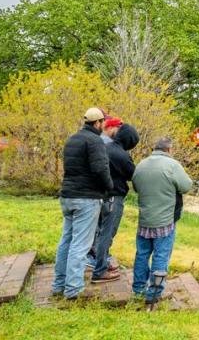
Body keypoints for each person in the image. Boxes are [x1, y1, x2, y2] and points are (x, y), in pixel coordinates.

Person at [52, 107, 113, 300]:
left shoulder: (72, 139)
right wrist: (109, 187)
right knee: (80, 245)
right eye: (103, 122)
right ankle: (73, 289)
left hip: (67, 196)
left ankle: (59, 284)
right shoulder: (94, 141)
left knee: (66, 241)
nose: (103, 126)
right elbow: (100, 169)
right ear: (97, 123)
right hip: (86, 199)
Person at [131, 137, 193, 303]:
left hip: (144, 220)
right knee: (161, 256)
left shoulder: (141, 165)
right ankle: (154, 293)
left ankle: (138, 289)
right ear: (169, 150)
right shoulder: (172, 165)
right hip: (165, 221)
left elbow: (135, 187)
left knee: (142, 255)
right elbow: (186, 186)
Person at [91, 120, 139, 283]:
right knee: (107, 234)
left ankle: (99, 262)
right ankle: (100, 271)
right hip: (114, 198)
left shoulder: (103, 147)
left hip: (99, 196)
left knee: (98, 231)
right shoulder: (122, 156)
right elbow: (134, 176)